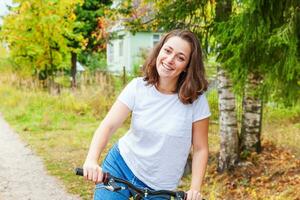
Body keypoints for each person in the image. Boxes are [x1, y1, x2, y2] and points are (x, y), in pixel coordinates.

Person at [83, 29, 211, 200]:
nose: (170, 60)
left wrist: (195, 189)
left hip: (160, 187)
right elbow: (108, 126)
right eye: (167, 51)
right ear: (159, 51)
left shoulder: (196, 100)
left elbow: (201, 148)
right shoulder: (137, 87)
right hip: (121, 166)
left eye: (180, 57)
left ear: (187, 66)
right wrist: (91, 160)